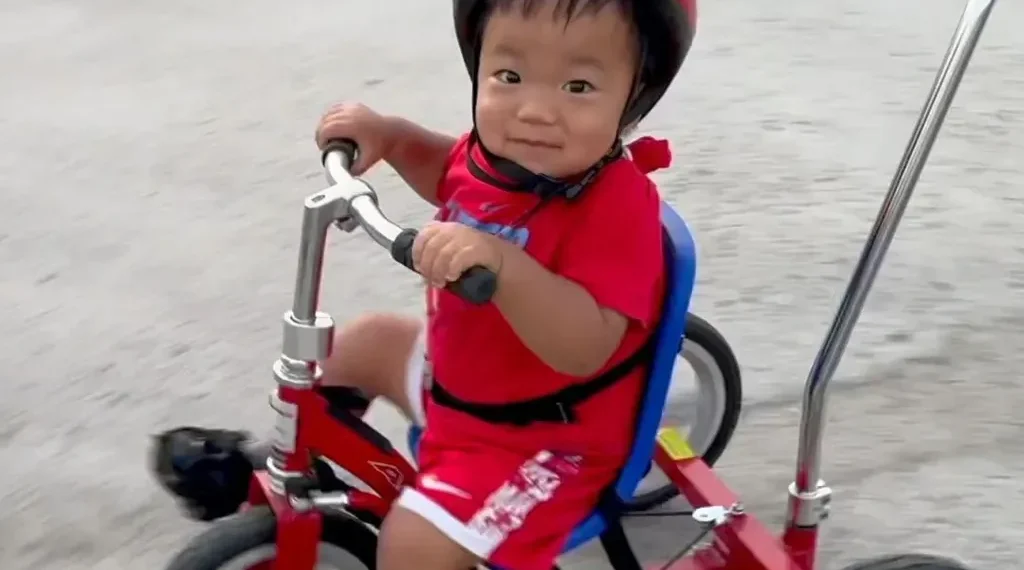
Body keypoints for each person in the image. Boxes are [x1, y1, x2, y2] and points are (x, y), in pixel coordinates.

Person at [151, 0, 696, 568]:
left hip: (542, 443)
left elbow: (587, 346)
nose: (535, 110)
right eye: (509, 77)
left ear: (635, 95)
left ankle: (428, 516)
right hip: (460, 387)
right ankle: (299, 463)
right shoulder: (500, 158)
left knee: (411, 549)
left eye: (578, 86)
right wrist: (390, 137)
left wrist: (507, 268)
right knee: (363, 342)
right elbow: (447, 171)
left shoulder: (616, 205)